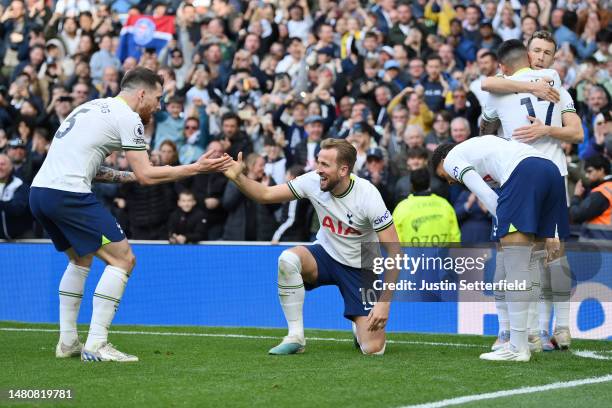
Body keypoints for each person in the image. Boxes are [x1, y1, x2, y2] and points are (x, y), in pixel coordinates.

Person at [29, 67, 232, 362]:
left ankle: (68, 341)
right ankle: (96, 344)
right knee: (124, 259)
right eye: (159, 98)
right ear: (142, 93)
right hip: (68, 194)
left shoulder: (91, 107)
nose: (159, 106)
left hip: (41, 192)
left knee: (80, 258)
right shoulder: (128, 116)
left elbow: (93, 167)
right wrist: (195, 168)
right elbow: (148, 175)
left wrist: (128, 176)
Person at [222, 138, 401, 355]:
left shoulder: (368, 195)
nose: (318, 170)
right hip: (326, 252)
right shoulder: (312, 181)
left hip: (363, 263)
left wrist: (384, 303)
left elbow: (394, 251)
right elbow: (265, 195)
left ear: (344, 169)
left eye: (325, 165)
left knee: (373, 350)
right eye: (318, 162)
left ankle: (358, 325)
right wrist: (238, 178)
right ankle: (295, 337)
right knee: (288, 259)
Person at [481, 35, 584, 351]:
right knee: (542, 256)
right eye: (536, 50)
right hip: (541, 175)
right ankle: (542, 330)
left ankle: (548, 330)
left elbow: (578, 133)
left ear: (553, 58)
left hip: (527, 175)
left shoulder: (547, 86)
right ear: (527, 53)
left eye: (547, 52)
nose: (541, 56)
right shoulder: (552, 85)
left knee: (533, 254)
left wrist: (544, 130)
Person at [432, 136, 569, 362]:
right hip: (549, 170)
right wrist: (552, 233)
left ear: (444, 160)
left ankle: (517, 346)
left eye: (443, 175)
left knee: (515, 263)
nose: (448, 180)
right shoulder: (486, 150)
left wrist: (506, 222)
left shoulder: (453, 159)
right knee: (533, 260)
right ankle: (531, 337)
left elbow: (484, 195)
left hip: (524, 172)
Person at [392, 167, 460, 244]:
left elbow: (395, 241)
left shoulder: (401, 209)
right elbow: (455, 237)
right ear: (429, 184)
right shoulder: (445, 205)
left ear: (411, 186)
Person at [570, 154, 612, 240]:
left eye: (590, 171)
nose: (587, 176)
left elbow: (577, 215)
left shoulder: (601, 193)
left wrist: (576, 196)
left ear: (601, 170)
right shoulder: (608, 188)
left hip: (598, 245)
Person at [0, 152, 31, 239]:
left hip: (22, 238)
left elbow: (17, 208)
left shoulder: (20, 185)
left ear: (10, 167)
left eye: (3, 164)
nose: (0, 167)